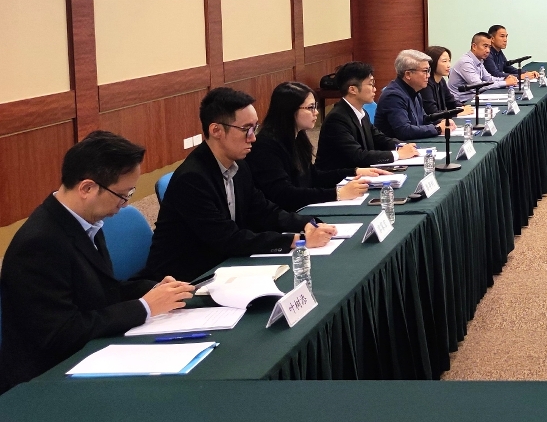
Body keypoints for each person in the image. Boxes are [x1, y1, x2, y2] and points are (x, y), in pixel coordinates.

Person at [0, 132, 194, 393]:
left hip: (87, 353)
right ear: (87, 188)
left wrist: (154, 289)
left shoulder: (86, 220)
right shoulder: (39, 244)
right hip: (47, 377)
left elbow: (100, 290)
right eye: (122, 194)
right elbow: (61, 333)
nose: (124, 204)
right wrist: (144, 307)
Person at [142, 88, 337, 282]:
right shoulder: (192, 179)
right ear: (216, 130)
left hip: (223, 263)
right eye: (246, 130)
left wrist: (306, 223)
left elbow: (263, 210)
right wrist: (297, 240)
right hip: (185, 278)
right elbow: (228, 238)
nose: (253, 137)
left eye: (255, 128)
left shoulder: (239, 165)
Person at [247, 81, 390, 212]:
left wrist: (355, 171)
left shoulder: (298, 137)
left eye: (315, 106)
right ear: (289, 110)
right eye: (310, 108)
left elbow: (313, 176)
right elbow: (284, 194)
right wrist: (337, 194)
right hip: (285, 217)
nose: (316, 112)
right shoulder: (266, 147)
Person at [315, 61, 418, 172]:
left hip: (361, 174)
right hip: (339, 178)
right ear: (353, 89)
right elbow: (357, 155)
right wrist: (397, 154)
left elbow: (379, 138)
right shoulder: (337, 118)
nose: (374, 89)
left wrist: (402, 145)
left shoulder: (362, 112)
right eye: (370, 84)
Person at [375, 50, 449, 140]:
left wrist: (442, 122)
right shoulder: (393, 96)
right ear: (408, 74)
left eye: (429, 70)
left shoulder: (415, 90)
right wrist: (438, 129)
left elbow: (423, 119)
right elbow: (404, 131)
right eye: (425, 71)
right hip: (397, 147)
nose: (428, 75)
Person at [450, 32, 519, 101]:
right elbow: (479, 86)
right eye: (485, 46)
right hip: (460, 102)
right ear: (474, 46)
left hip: (473, 98)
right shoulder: (466, 62)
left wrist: (505, 79)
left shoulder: (479, 60)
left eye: (489, 47)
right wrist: (505, 83)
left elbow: (488, 78)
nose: (488, 51)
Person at [423, 46, 473, 119]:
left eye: (449, 61)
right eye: (444, 61)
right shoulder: (426, 84)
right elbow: (433, 113)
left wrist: (462, 107)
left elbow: (450, 101)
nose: (449, 65)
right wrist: (457, 114)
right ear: (432, 62)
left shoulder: (441, 80)